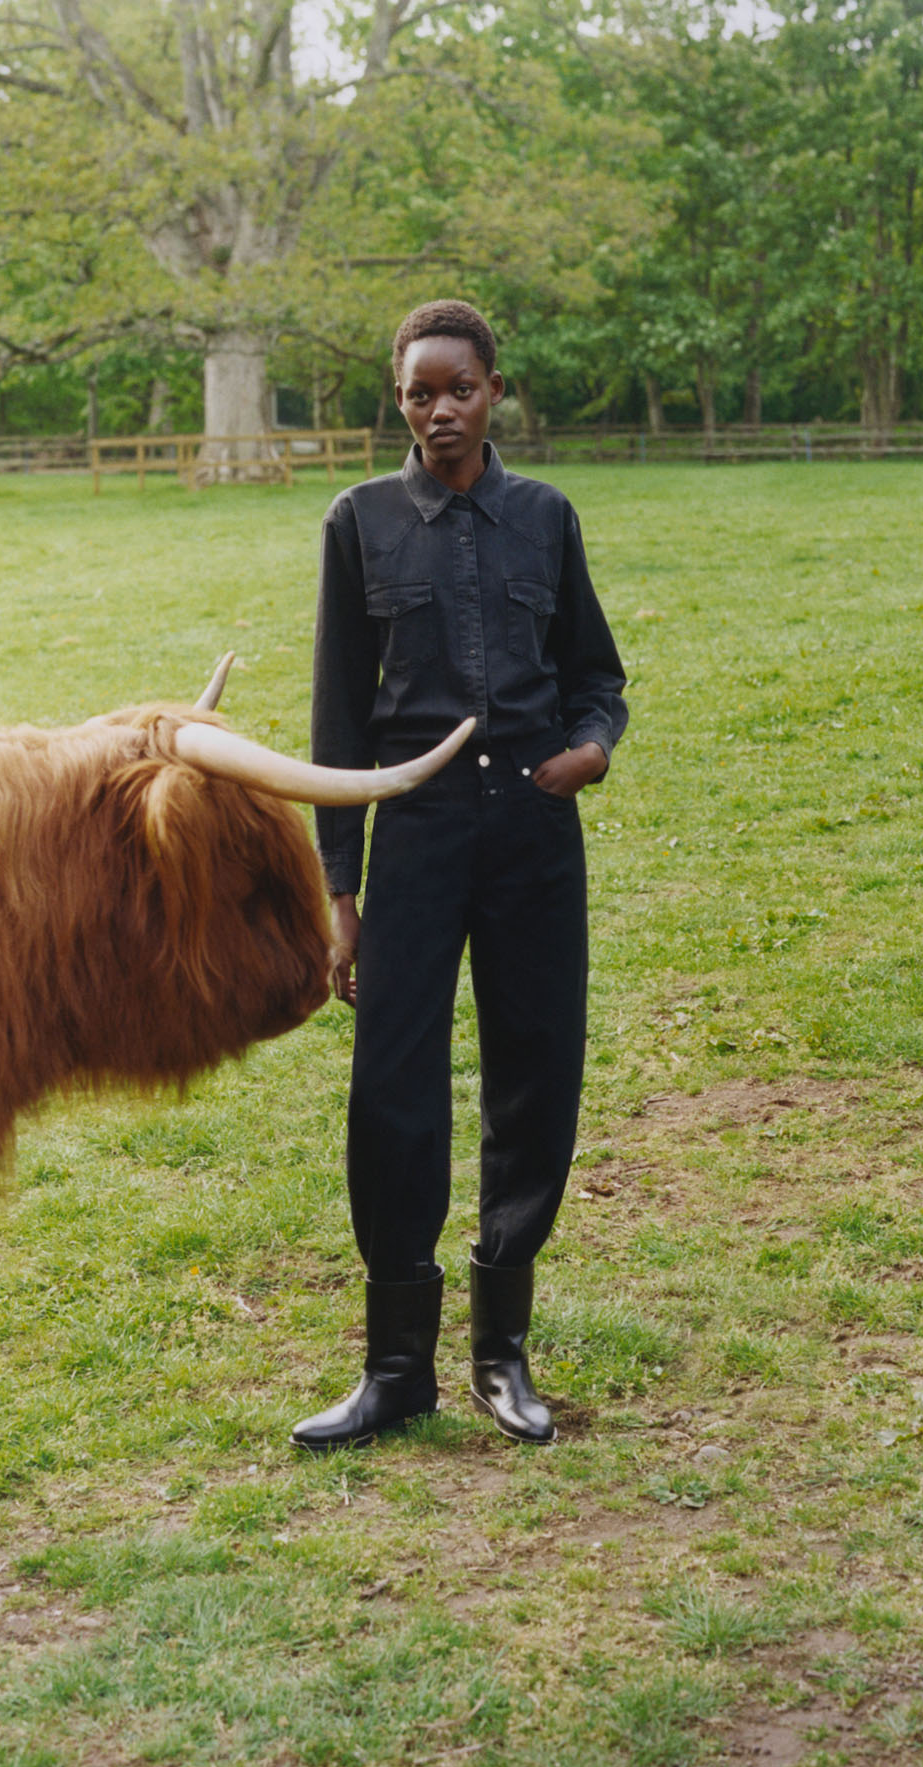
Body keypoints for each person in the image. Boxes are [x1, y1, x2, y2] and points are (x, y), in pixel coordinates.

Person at [292, 299, 627, 1452]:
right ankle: (394, 1371)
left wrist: (590, 750)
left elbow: (596, 676)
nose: (440, 411)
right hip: (416, 839)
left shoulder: (546, 518)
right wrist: (342, 896)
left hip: (534, 838)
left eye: (460, 389)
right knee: (392, 1088)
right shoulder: (360, 522)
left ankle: (501, 1355)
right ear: (399, 402)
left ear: (496, 391)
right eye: (418, 394)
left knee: (536, 1077)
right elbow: (338, 723)